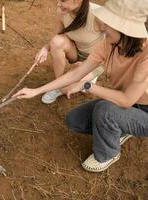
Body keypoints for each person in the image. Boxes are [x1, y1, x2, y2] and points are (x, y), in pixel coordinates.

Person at [14, 0, 148, 172]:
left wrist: (87, 86)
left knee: (105, 110)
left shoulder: (145, 55)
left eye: (108, 24)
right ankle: (121, 126)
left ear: (124, 30)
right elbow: (76, 73)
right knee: (74, 120)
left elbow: (127, 100)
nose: (103, 27)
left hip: (144, 110)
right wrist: (36, 90)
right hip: (127, 102)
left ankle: (108, 153)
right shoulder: (109, 44)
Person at [35, 0, 104, 104]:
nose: (58, 4)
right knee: (57, 41)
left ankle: (88, 76)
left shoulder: (97, 14)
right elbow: (56, 36)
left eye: (63, 0)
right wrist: (45, 49)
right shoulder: (62, 11)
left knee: (74, 86)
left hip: (96, 59)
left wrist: (95, 68)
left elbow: (113, 50)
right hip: (76, 52)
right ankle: (59, 84)